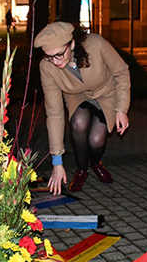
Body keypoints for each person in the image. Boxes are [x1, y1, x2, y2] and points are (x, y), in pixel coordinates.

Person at [34, 22, 130, 194]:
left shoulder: (96, 44)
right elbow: (54, 113)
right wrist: (57, 162)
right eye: (49, 57)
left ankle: (95, 163)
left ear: (71, 44)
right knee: (78, 123)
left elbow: (121, 71)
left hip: (105, 93)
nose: (55, 62)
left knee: (96, 140)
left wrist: (121, 109)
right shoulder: (47, 67)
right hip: (76, 95)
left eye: (58, 55)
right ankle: (81, 170)